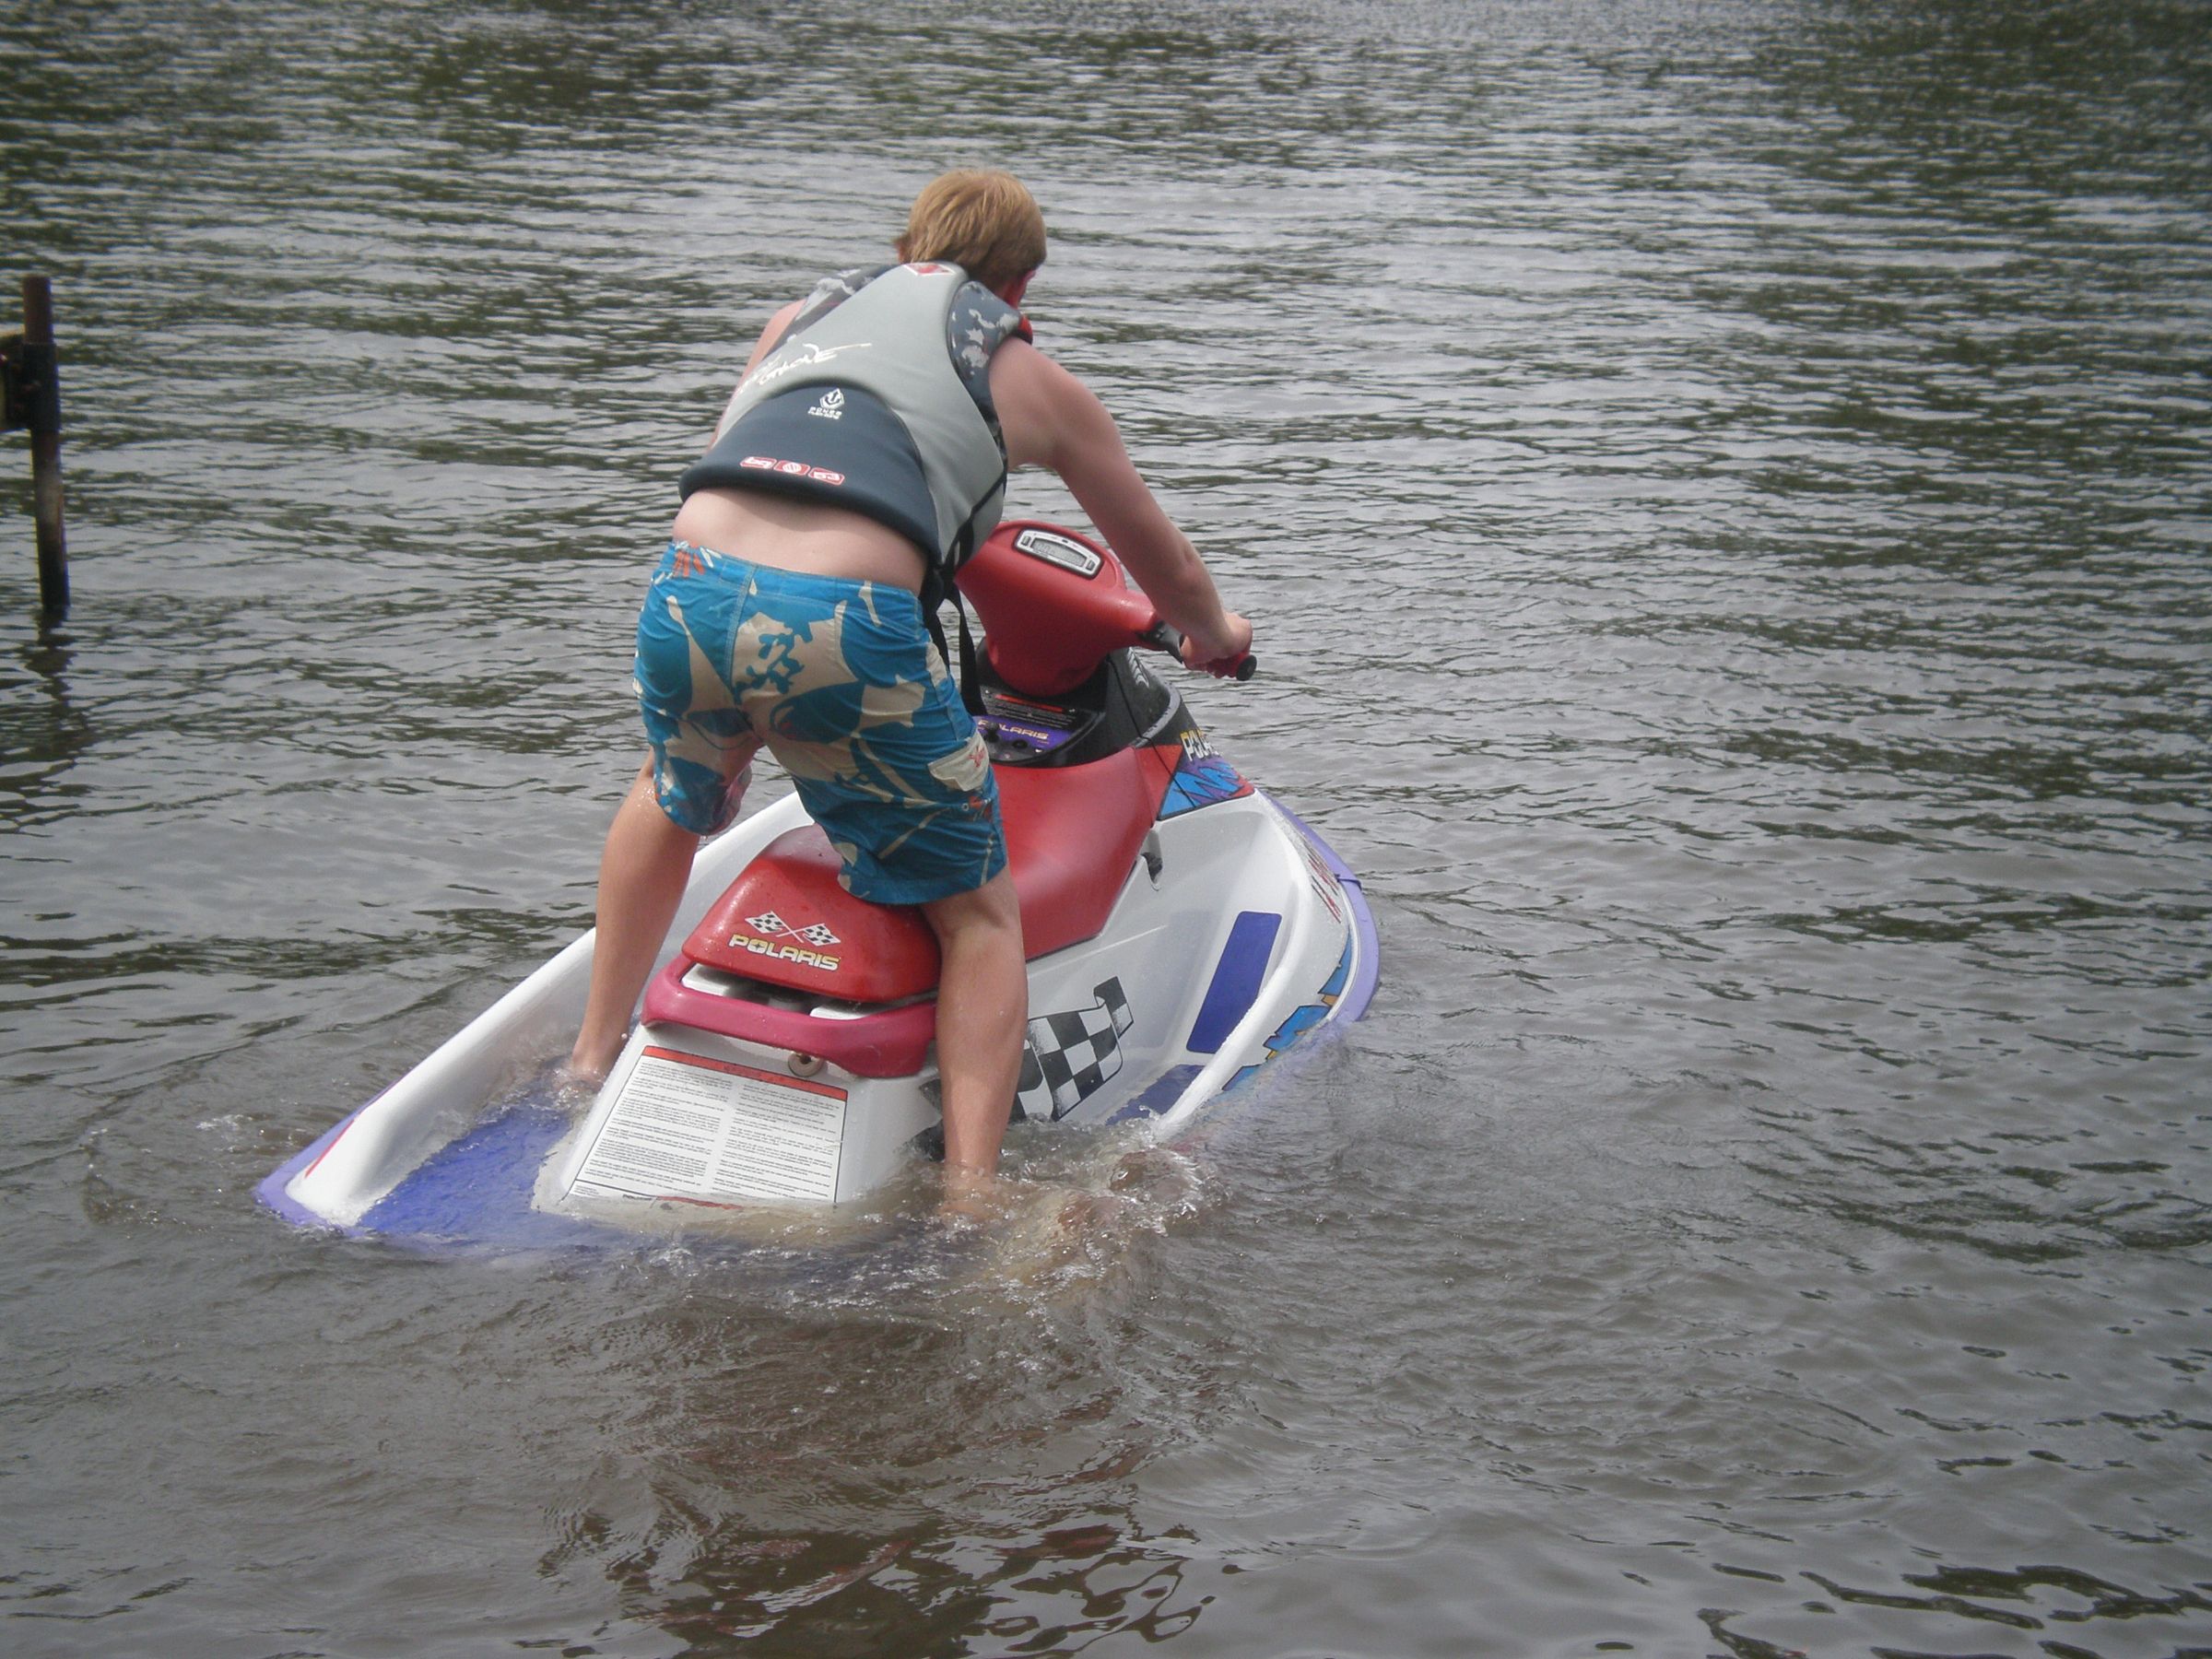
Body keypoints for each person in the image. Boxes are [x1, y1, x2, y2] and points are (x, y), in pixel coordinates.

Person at [567, 170, 1252, 1194]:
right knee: (978, 912)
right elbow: (1170, 571)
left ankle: (586, 1061)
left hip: (690, 587)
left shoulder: (795, 321)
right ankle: (969, 1197)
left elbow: (747, 464)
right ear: (1018, 289)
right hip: (846, 626)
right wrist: (1216, 635)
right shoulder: (1029, 378)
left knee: (671, 797)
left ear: (907, 249)